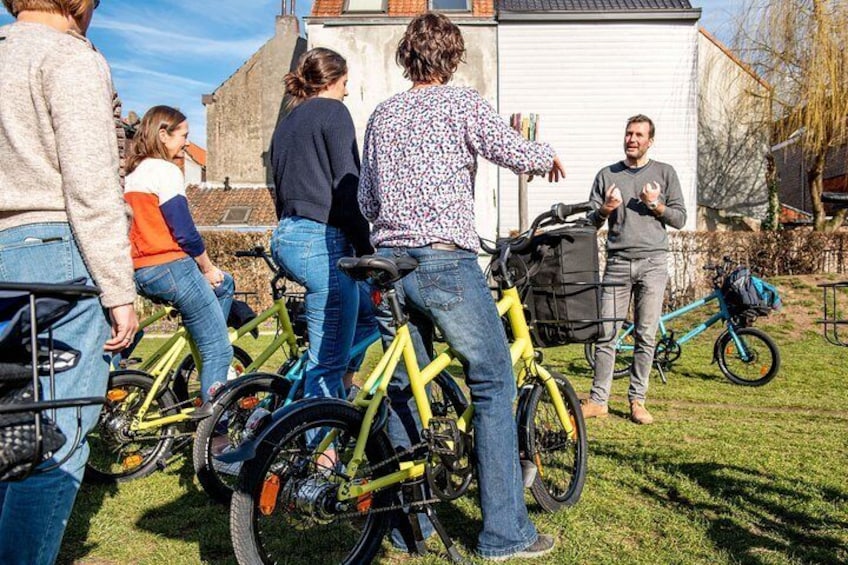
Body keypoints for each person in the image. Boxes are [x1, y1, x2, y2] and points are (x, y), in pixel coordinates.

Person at [358, 12, 565, 561]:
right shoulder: (462, 103)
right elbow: (508, 148)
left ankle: (410, 529)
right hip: (443, 263)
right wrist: (546, 158)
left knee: (405, 389)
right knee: (494, 381)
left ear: (408, 56)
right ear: (452, 57)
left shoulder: (382, 114)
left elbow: (367, 200)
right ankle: (505, 534)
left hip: (387, 263)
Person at [0, 0, 139, 562]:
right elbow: (91, 184)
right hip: (54, 254)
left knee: (10, 435)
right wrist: (118, 288)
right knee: (54, 442)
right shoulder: (69, 57)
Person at [269, 47, 376, 403]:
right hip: (321, 239)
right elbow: (348, 187)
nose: (347, 90)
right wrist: (366, 248)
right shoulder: (334, 112)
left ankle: (340, 395)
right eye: (345, 82)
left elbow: (279, 186)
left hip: (288, 233)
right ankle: (320, 453)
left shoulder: (287, 123)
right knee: (325, 362)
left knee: (368, 314)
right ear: (332, 80)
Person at [123, 106, 234, 404]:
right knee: (219, 348)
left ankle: (204, 336)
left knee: (225, 285)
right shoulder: (165, 170)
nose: (186, 142)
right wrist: (207, 267)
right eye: (183, 135)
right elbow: (183, 230)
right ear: (163, 134)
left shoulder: (132, 174)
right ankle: (216, 434)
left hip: (140, 270)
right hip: (170, 266)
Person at [582, 114, 687, 425]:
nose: (632, 139)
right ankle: (599, 400)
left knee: (645, 335)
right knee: (606, 334)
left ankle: (637, 400)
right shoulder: (606, 175)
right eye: (629, 133)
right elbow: (589, 222)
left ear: (649, 141)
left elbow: (680, 219)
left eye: (639, 135)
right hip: (617, 264)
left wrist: (655, 204)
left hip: (653, 264)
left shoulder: (665, 173)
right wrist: (605, 209)